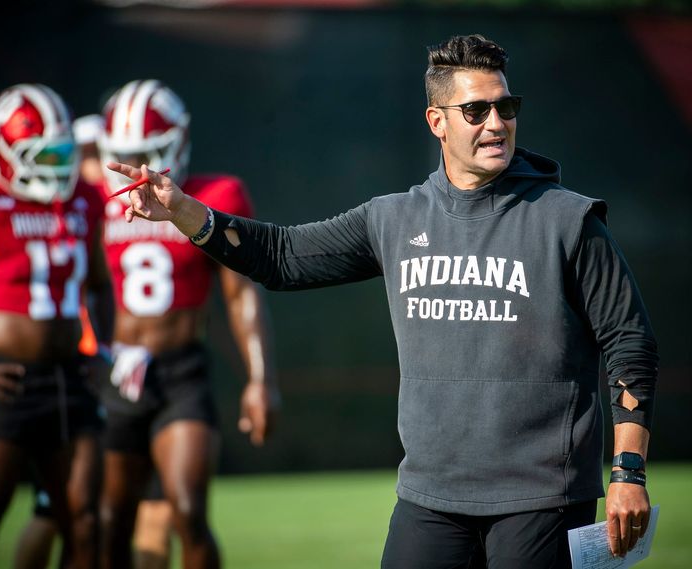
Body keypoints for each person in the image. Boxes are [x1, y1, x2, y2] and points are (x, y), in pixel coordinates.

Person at [110, 34, 659, 569]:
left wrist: (628, 473)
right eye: (476, 111)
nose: (496, 124)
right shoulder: (392, 218)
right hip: (429, 497)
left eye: (506, 107)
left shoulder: (569, 220)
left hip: (543, 497)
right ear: (437, 122)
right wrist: (184, 212)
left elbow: (629, 340)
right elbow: (281, 257)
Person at [96, 79, 280, 569]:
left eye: (146, 154)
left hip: (181, 372)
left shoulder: (215, 195)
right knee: (110, 520)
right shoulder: (93, 196)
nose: (135, 169)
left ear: (176, 143)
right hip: (118, 372)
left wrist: (260, 379)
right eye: (124, 155)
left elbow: (241, 291)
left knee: (189, 511)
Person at [0, 84, 113, 568]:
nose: (56, 169)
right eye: (41, 157)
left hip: (69, 381)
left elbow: (100, 283)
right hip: (2, 380)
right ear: (2, 156)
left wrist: (105, 349)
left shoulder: (80, 203)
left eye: (61, 155)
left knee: (85, 524)